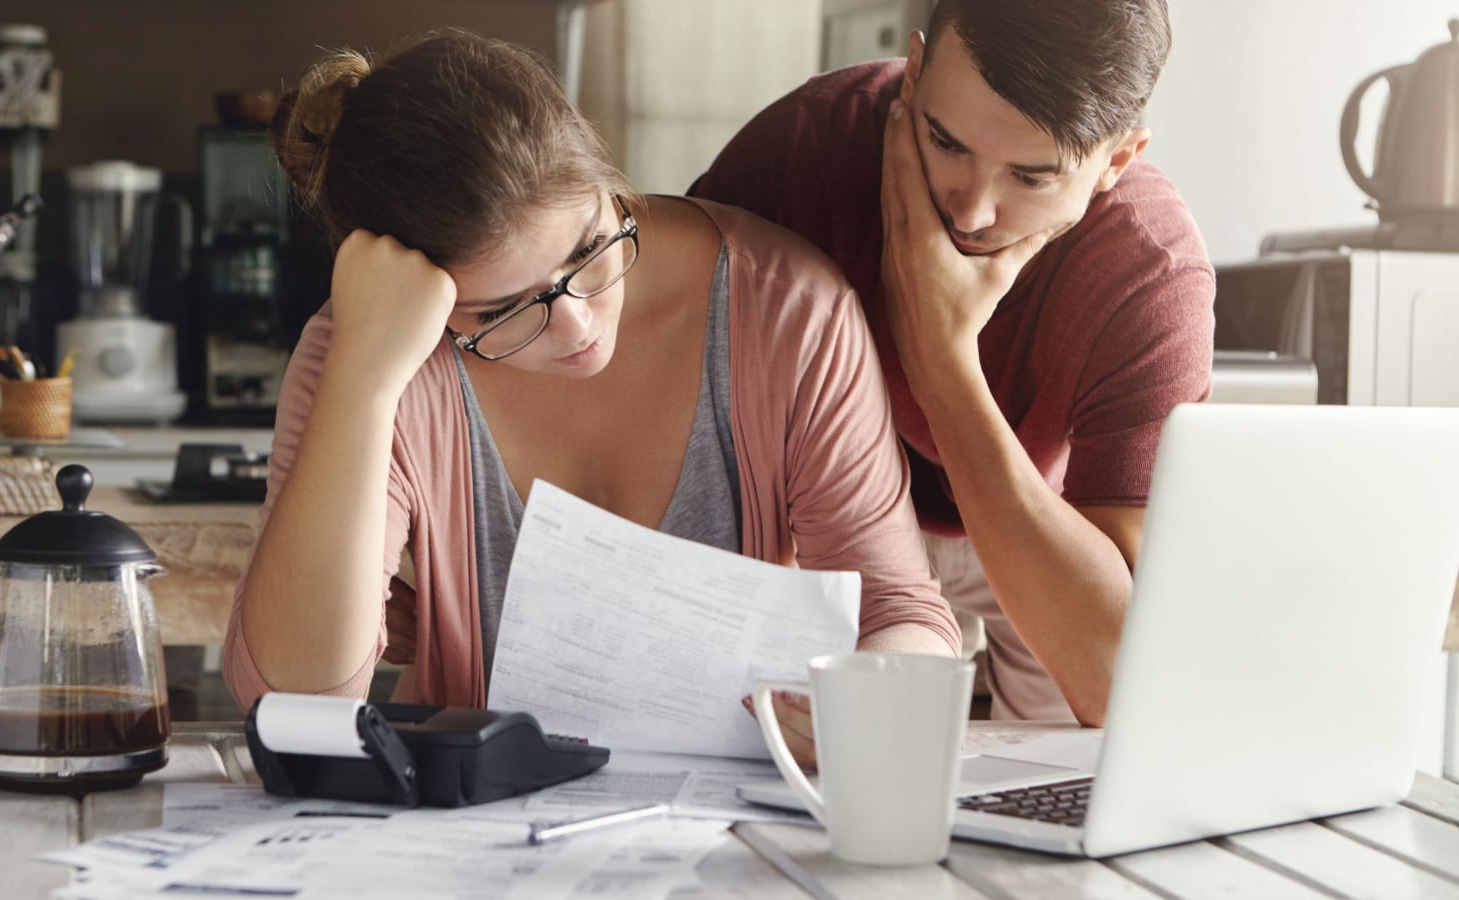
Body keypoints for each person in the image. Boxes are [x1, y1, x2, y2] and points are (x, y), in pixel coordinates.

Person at [223, 30, 961, 766]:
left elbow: (901, 612)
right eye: (504, 311)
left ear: (606, 176)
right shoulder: (364, 352)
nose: (578, 324)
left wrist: (871, 696)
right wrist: (364, 380)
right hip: (476, 842)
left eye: (588, 249)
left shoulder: (788, 309)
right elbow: (292, 702)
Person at [690, 0, 1215, 725]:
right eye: (945, 141)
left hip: (1041, 518)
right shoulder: (808, 144)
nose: (970, 211)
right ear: (913, 76)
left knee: (1079, 770)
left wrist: (942, 362)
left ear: (1116, 162)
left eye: (1030, 179)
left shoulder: (1148, 272)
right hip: (831, 517)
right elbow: (669, 377)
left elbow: (1119, 677)